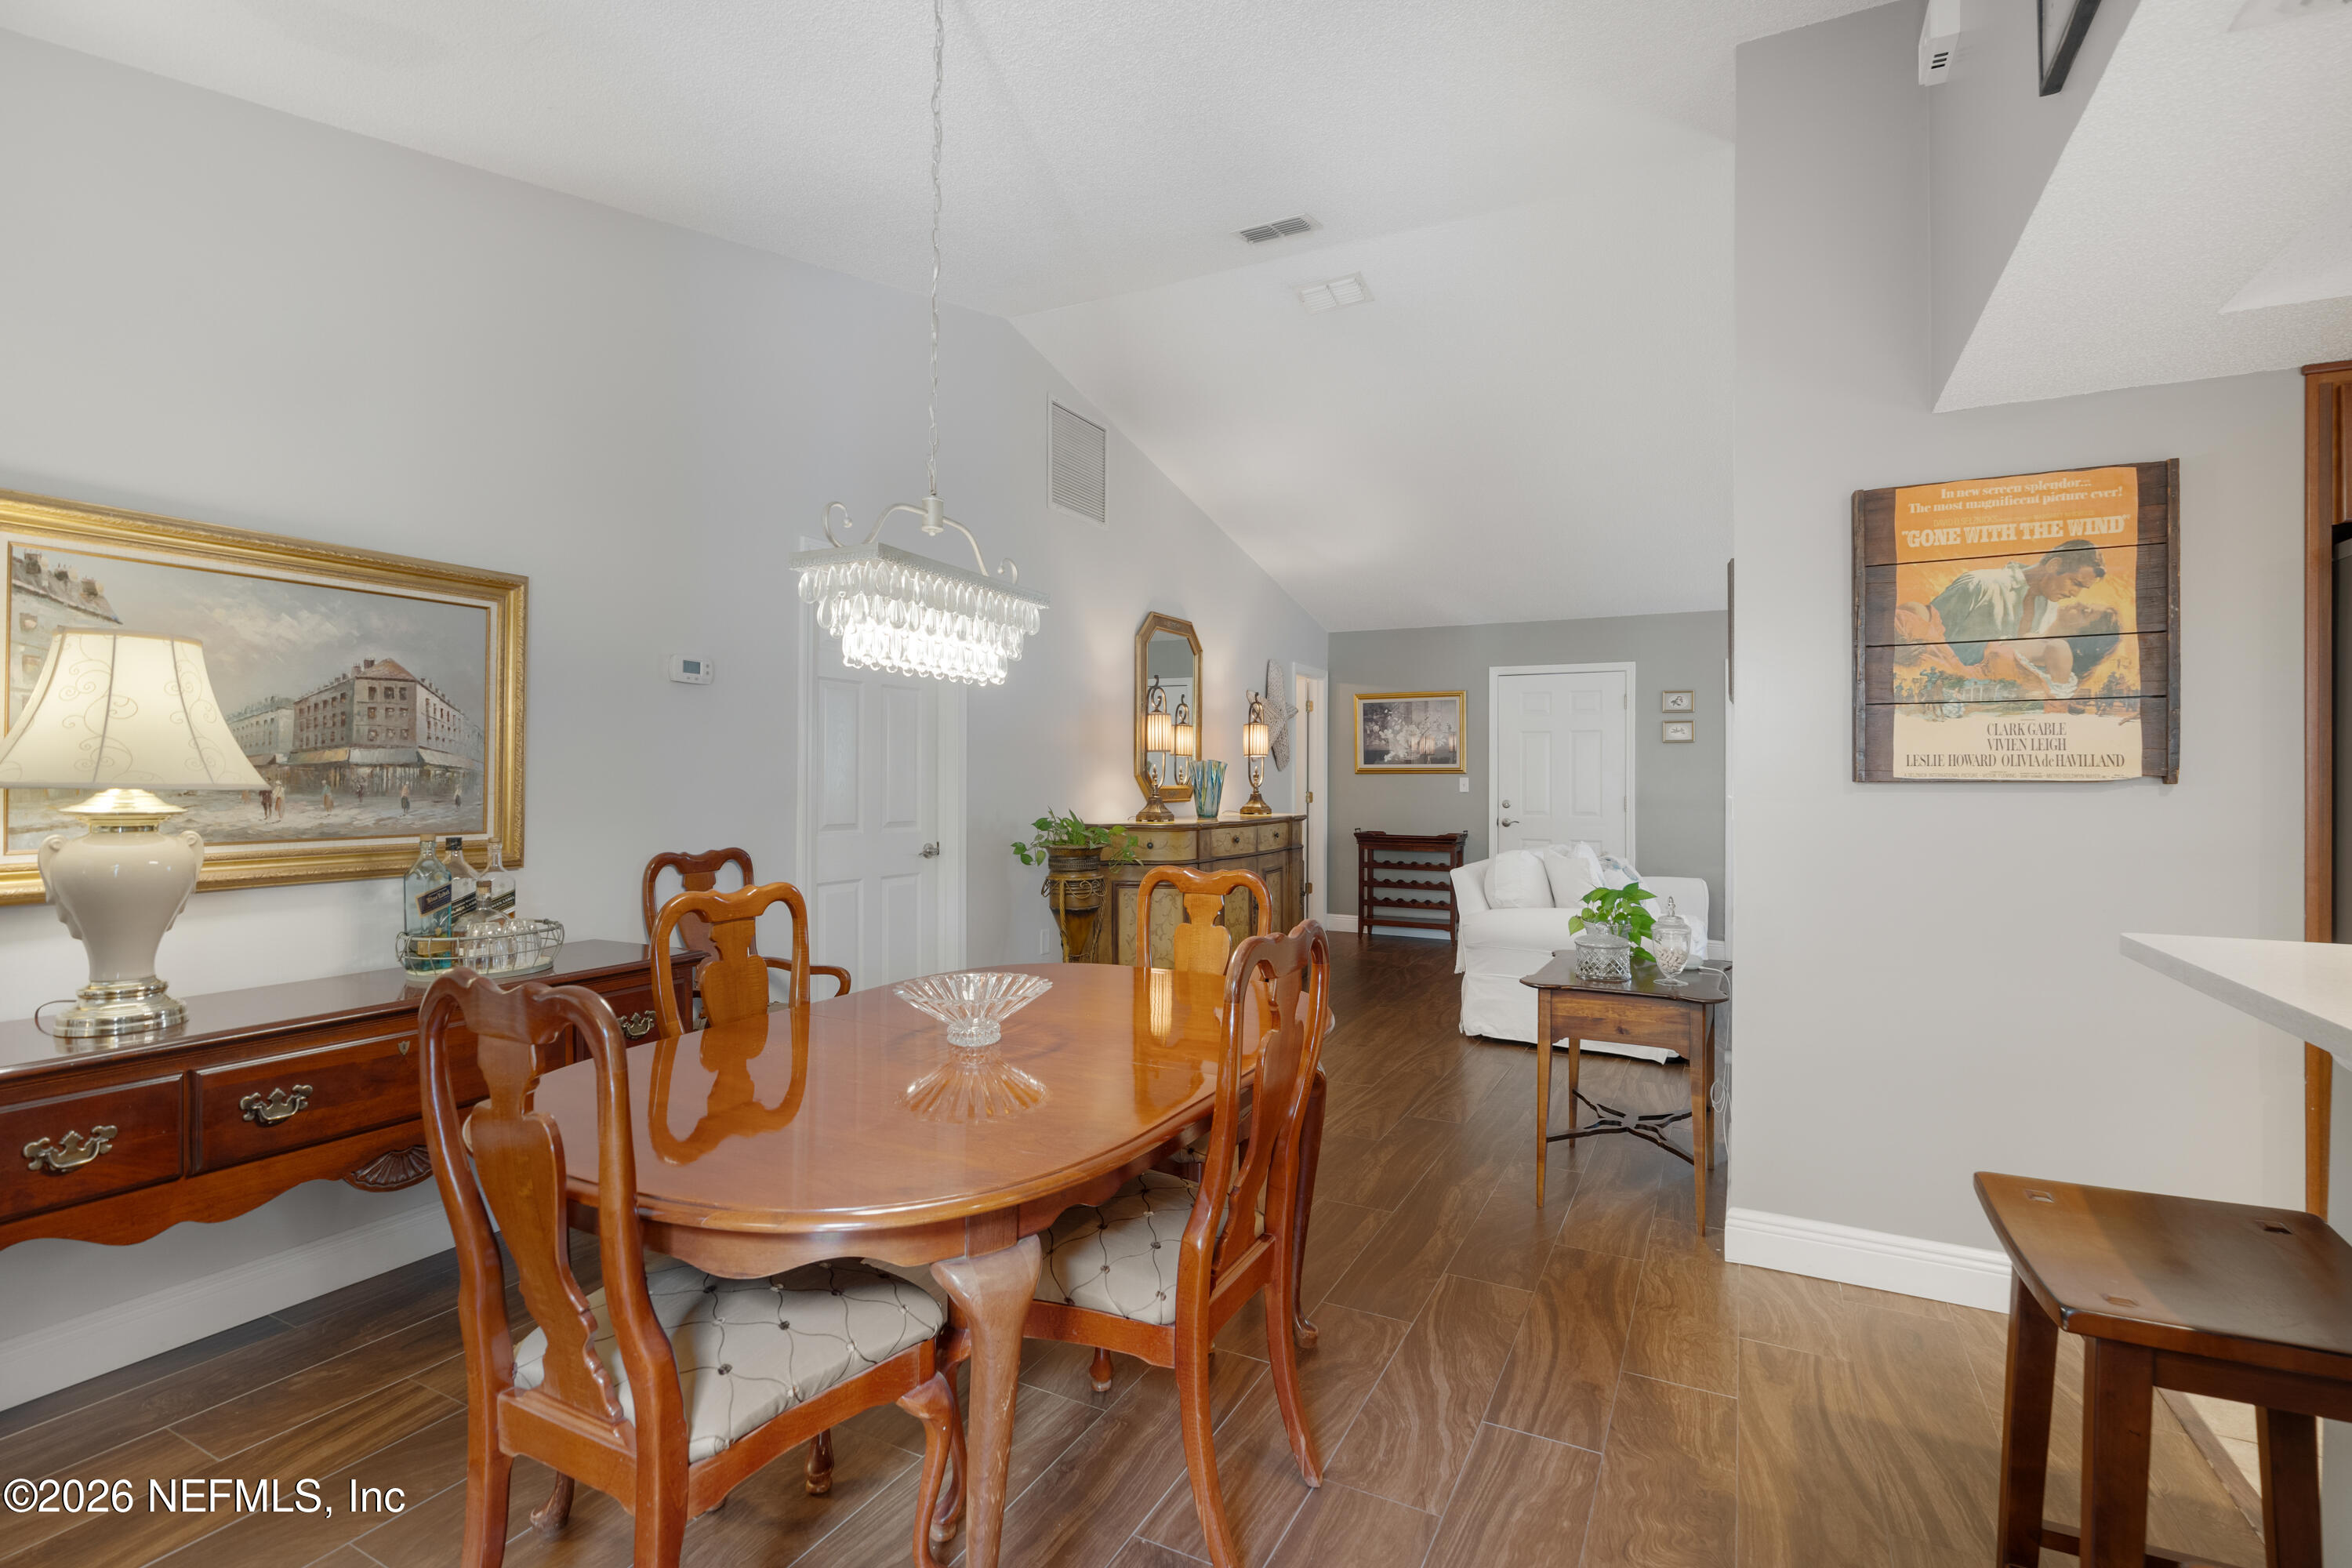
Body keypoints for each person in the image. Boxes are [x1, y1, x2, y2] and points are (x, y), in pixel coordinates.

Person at [1927, 539, 2105, 662]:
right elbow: (1923, 637)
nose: (2076, 594)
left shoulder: (2051, 608)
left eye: (2083, 588)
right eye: (2075, 583)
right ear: (2054, 565)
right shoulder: (1980, 584)